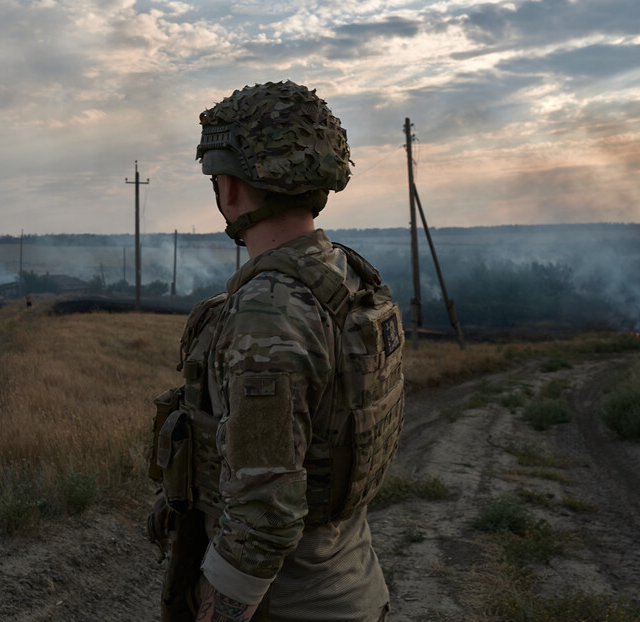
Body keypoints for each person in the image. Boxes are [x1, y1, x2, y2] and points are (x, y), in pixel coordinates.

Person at [148, 81, 406, 622]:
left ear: (232, 187)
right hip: (354, 589)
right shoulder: (346, 276)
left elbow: (264, 517)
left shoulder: (269, 309)